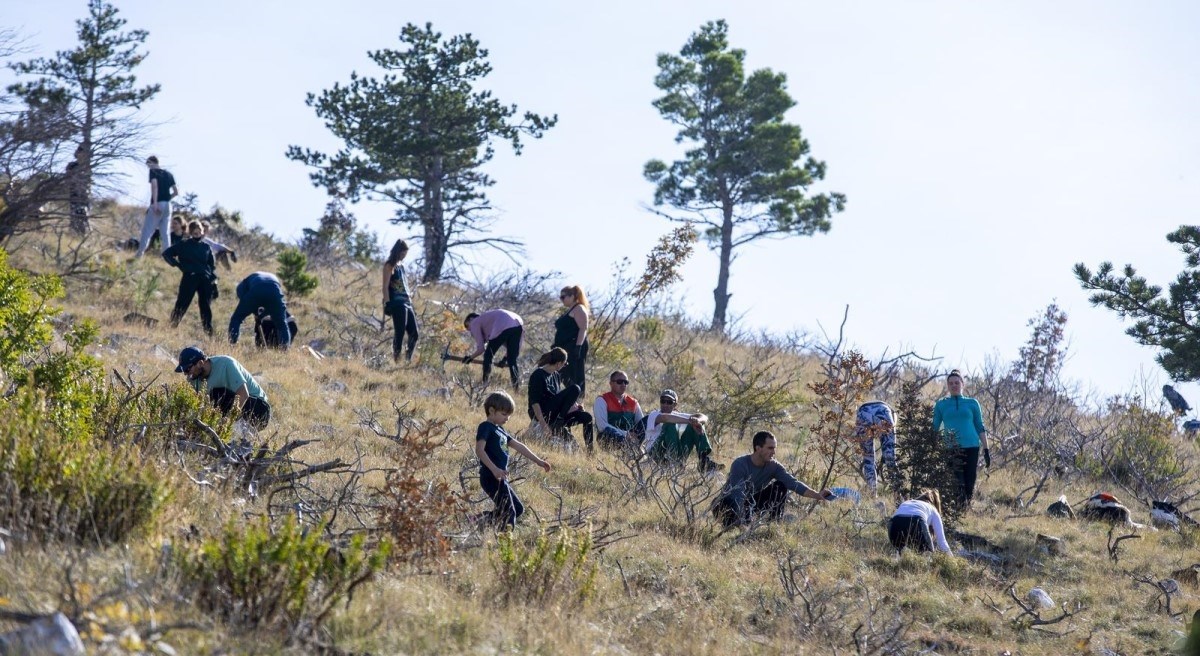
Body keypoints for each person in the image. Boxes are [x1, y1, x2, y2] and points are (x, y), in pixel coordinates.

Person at [712, 431, 832, 527]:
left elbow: (793, 483)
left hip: (749, 503)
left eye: (774, 448)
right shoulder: (740, 464)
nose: (774, 452)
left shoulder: (774, 466)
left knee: (781, 486)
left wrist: (817, 495)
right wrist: (743, 520)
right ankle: (738, 523)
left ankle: (774, 525)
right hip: (729, 504)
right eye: (770, 448)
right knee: (726, 505)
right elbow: (737, 495)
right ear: (758, 448)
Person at [475, 391, 551, 528]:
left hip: (499, 477)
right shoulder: (485, 427)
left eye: (509, 415)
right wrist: (494, 469)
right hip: (490, 477)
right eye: (504, 414)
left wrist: (539, 461)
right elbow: (479, 450)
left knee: (518, 509)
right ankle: (505, 542)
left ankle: (480, 519)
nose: (507, 418)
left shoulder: (500, 430)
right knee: (509, 512)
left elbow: (519, 446)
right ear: (491, 411)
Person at [932, 369, 990, 505]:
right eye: (951, 383)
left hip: (971, 446)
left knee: (970, 479)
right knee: (956, 481)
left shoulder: (972, 403)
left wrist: (986, 450)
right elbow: (934, 427)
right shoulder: (941, 404)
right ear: (947, 386)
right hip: (951, 447)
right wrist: (932, 447)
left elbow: (979, 426)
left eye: (957, 383)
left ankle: (965, 508)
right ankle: (958, 507)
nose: (954, 385)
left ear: (962, 384)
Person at [175, 346, 271, 429]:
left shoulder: (226, 363)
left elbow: (243, 394)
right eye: (184, 371)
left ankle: (236, 429)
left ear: (200, 363)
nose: (186, 373)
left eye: (188, 369)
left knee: (216, 394)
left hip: (260, 409)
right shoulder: (193, 379)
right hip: (236, 409)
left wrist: (227, 422)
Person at [527, 347, 595, 450]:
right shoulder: (538, 375)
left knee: (587, 417)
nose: (564, 366)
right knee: (575, 388)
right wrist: (543, 424)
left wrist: (575, 407)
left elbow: (559, 400)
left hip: (555, 415)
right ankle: (558, 422)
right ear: (559, 363)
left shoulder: (556, 376)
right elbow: (535, 403)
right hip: (542, 414)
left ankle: (590, 451)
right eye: (565, 364)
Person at [643, 389, 722, 472]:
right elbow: (666, 418)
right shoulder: (654, 414)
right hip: (656, 454)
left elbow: (704, 416)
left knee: (695, 424)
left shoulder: (676, 415)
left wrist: (697, 421)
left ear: (675, 404)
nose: (665, 404)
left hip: (675, 454)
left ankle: (704, 461)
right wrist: (690, 421)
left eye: (669, 402)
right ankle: (673, 462)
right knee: (670, 424)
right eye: (663, 401)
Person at [162, 220, 218, 336]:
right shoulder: (183, 244)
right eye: (195, 232)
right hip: (189, 277)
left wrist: (214, 283)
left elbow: (211, 266)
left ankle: (209, 333)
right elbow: (167, 254)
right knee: (182, 303)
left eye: (199, 232)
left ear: (202, 232)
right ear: (190, 232)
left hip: (205, 280)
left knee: (206, 306)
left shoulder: (206, 247)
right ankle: (171, 327)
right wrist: (178, 265)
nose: (197, 234)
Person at [463, 309, 523, 388]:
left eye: (468, 326)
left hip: (502, 323)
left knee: (488, 356)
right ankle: (516, 389)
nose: (470, 330)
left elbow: (481, 349)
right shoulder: (488, 320)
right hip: (518, 322)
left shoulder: (475, 322)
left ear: (471, 319)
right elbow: (516, 349)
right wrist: (505, 359)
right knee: (512, 361)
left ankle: (484, 385)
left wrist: (470, 358)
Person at [229, 272, 291, 349]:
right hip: (275, 292)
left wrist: (255, 312)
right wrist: (261, 315)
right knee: (282, 324)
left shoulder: (242, 285)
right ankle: (285, 350)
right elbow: (272, 306)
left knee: (236, 319)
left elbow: (244, 298)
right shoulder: (270, 277)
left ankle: (232, 345)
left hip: (257, 291)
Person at [382, 239, 418, 362]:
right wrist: (387, 303)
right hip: (397, 303)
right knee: (400, 332)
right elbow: (385, 286)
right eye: (403, 254)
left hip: (407, 303)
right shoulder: (389, 265)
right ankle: (396, 359)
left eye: (405, 254)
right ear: (398, 252)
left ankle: (407, 360)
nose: (404, 257)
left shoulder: (401, 266)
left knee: (414, 333)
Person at [135, 155, 178, 258]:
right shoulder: (169, 174)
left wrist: (155, 204)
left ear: (152, 163)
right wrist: (167, 198)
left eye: (148, 165)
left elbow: (154, 186)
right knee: (165, 233)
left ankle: (139, 255)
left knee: (147, 230)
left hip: (158, 204)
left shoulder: (153, 172)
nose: (148, 168)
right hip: (168, 205)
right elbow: (176, 192)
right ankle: (168, 257)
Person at [888, 489, 953, 554]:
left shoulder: (907, 502)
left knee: (900, 554)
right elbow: (942, 542)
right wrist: (953, 560)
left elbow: (895, 519)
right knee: (928, 555)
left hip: (894, 527)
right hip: (917, 522)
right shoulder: (933, 510)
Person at [552, 285, 590, 395]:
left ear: (572, 296)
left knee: (574, 372)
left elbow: (583, 329)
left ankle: (578, 395)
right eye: (560, 297)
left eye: (563, 297)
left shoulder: (579, 308)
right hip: (565, 346)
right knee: (561, 370)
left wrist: (578, 347)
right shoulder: (571, 310)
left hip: (575, 346)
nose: (561, 300)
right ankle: (573, 394)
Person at [593, 370, 644, 449]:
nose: (623, 384)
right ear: (611, 384)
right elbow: (601, 426)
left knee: (649, 420)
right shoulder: (602, 400)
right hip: (611, 439)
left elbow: (642, 424)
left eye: (626, 382)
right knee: (607, 431)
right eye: (619, 381)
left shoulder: (634, 402)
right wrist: (626, 434)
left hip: (632, 439)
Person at [855, 401, 898, 495]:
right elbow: (892, 426)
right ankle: (898, 495)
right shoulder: (891, 413)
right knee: (890, 458)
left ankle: (872, 494)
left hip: (862, 412)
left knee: (868, 459)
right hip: (883, 411)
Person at [65, 144, 90, 234]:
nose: (82, 155)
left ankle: (84, 234)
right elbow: (67, 178)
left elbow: (88, 182)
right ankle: (73, 232)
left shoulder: (86, 167)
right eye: (80, 153)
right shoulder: (72, 165)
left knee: (84, 215)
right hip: (74, 194)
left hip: (84, 196)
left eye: (84, 154)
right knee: (75, 214)